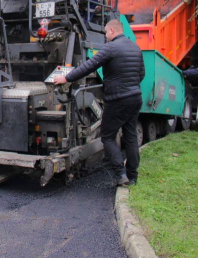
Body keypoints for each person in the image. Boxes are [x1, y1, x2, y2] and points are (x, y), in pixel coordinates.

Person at [52, 19, 145, 186]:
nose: (106, 36)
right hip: (135, 97)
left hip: (118, 99)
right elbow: (141, 74)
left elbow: (88, 66)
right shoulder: (135, 48)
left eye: (106, 33)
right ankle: (133, 176)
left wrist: (65, 77)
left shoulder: (110, 48)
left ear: (111, 31)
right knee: (130, 137)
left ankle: (120, 174)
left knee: (108, 136)